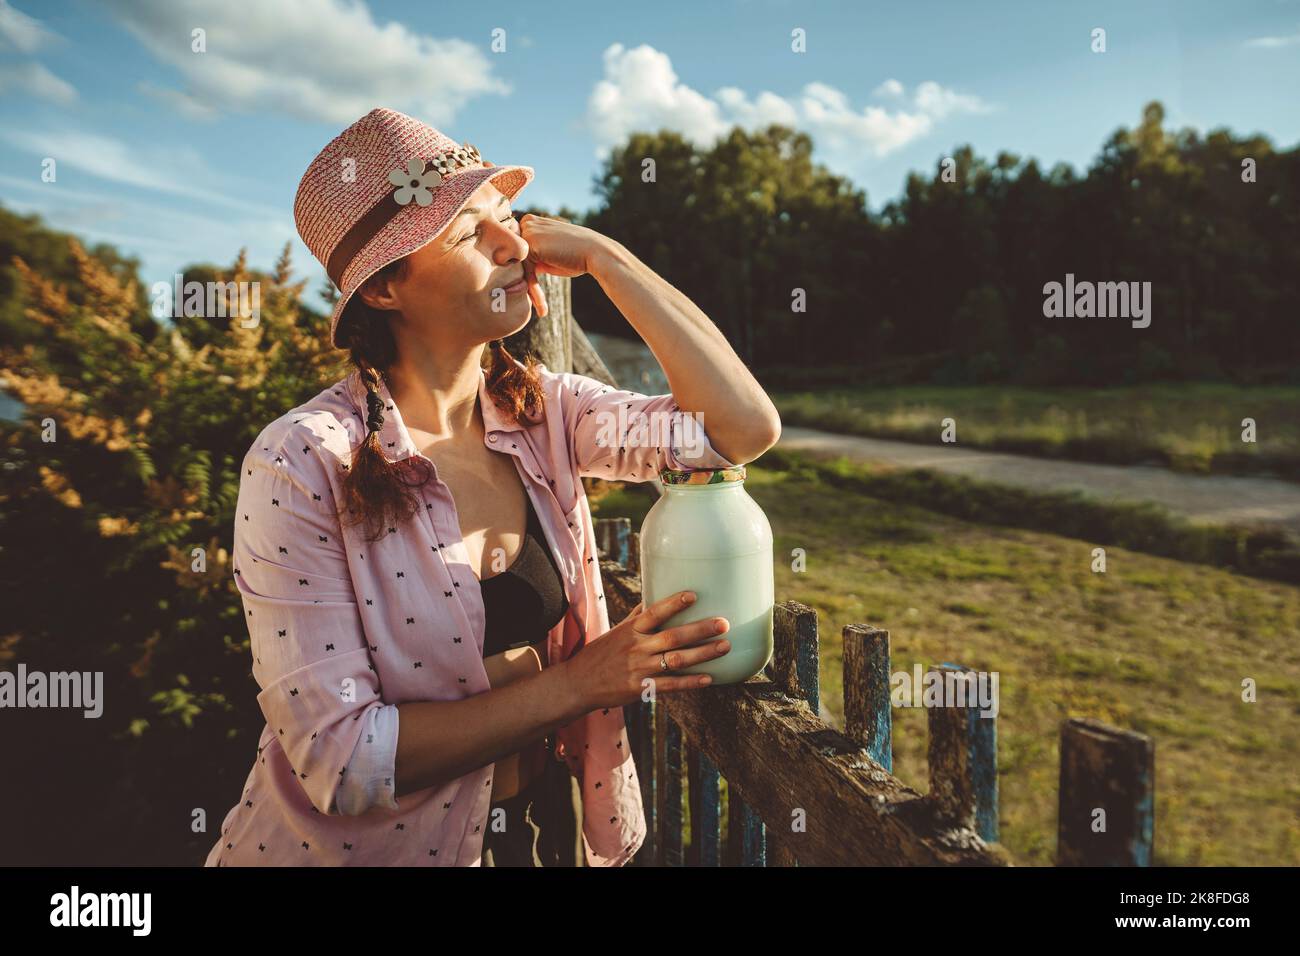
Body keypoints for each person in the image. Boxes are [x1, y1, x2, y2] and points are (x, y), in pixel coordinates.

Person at [203, 107, 781, 867]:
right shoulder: (302, 462)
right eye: (472, 234)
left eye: (509, 219)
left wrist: (613, 261)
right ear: (383, 292)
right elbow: (342, 759)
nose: (517, 247)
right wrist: (582, 682)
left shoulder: (547, 414)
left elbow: (741, 429)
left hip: (541, 829)